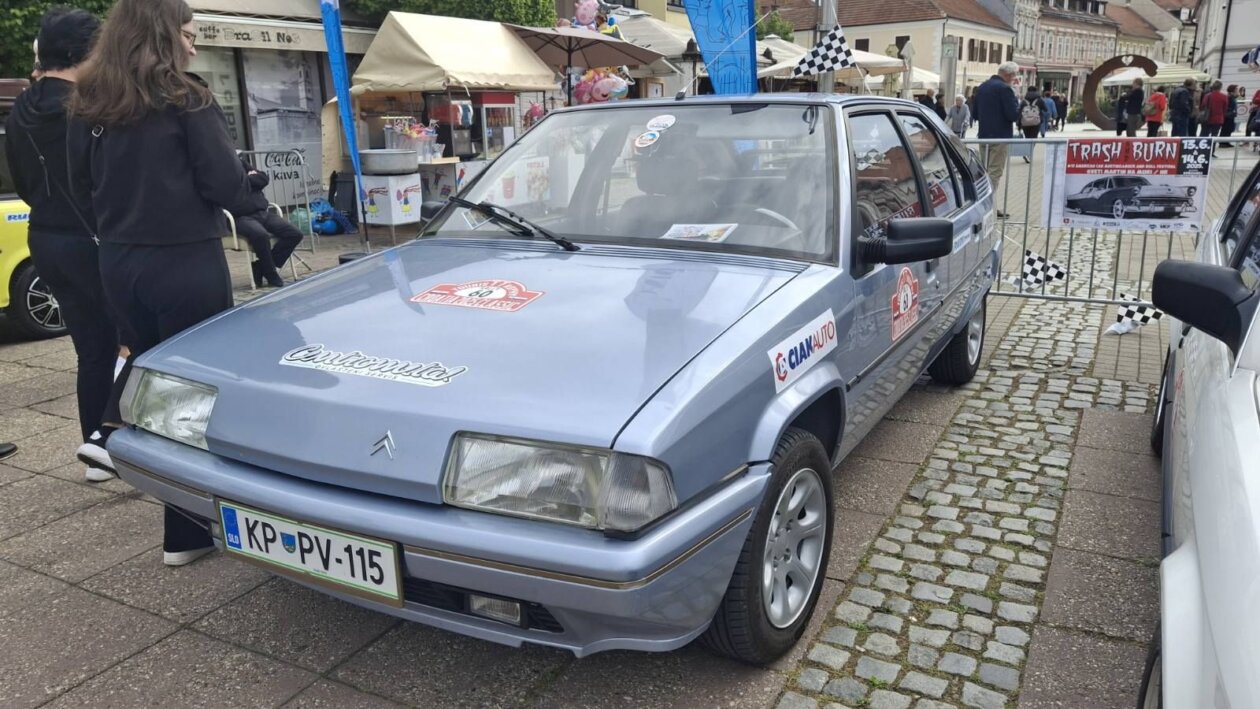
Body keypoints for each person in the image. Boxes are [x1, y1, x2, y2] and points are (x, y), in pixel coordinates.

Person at [70, 0, 251, 567]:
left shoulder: (89, 102)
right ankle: (189, 527)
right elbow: (223, 180)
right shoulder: (186, 97)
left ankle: (116, 439)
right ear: (163, 35)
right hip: (184, 260)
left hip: (120, 261)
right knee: (196, 396)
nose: (194, 46)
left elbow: (80, 189)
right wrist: (255, 202)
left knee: (151, 374)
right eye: (188, 34)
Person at [5, 8, 120, 483]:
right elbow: (105, 180)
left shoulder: (21, 109)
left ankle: (96, 443)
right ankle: (109, 440)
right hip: (93, 238)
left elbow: (27, 181)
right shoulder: (86, 107)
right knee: (131, 343)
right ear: (85, 52)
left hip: (45, 237)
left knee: (91, 349)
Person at [228, 154, 303, 288]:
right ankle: (270, 273)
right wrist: (250, 179)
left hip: (262, 212)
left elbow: (263, 179)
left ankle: (261, 267)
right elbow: (229, 186)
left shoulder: (240, 162)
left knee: (295, 234)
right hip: (239, 216)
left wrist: (244, 181)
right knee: (260, 235)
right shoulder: (218, 168)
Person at [975, 61, 1020, 215]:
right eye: (1014, 77)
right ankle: (985, 206)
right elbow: (1012, 115)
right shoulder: (1005, 89)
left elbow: (975, 113)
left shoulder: (982, 87)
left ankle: (990, 205)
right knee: (994, 172)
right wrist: (1017, 103)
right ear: (1008, 75)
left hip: (983, 136)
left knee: (984, 172)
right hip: (1000, 136)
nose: (1014, 80)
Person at [1200, 81, 1229, 153]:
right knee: (1214, 136)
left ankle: (1202, 150)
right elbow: (1225, 109)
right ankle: (1211, 152)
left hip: (1207, 118)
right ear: (1220, 87)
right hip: (1218, 119)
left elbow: (1203, 105)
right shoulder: (1224, 96)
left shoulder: (1208, 95)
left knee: (1204, 135)